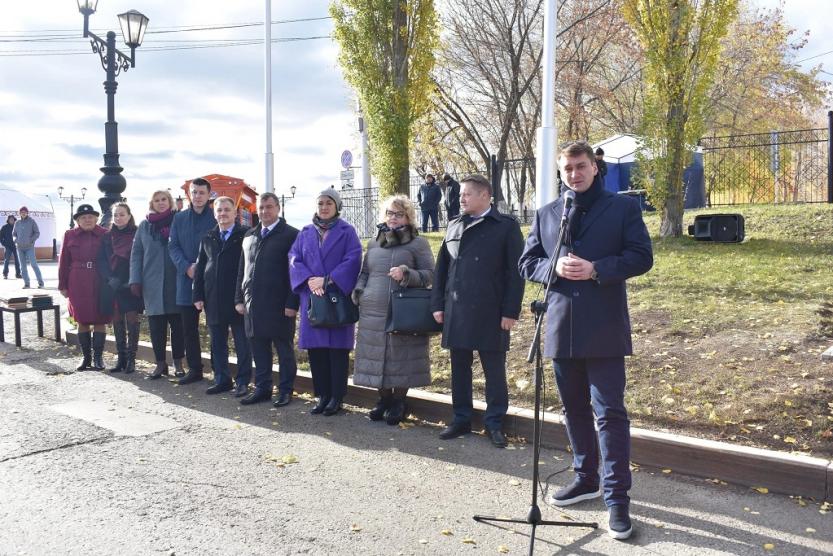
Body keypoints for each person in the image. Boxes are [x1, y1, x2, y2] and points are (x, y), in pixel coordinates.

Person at [518, 140, 653, 541]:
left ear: (594, 167)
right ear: (560, 173)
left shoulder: (623, 208)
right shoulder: (547, 214)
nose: (574, 174)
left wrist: (597, 269)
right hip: (561, 326)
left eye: (580, 167)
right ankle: (586, 478)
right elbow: (526, 262)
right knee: (574, 409)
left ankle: (617, 500)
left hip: (605, 327)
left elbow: (641, 257)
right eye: (567, 170)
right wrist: (552, 267)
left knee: (609, 413)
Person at [430, 174, 525, 448]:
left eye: (467, 194)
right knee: (459, 368)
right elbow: (442, 270)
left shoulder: (505, 227)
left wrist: (511, 311)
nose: (461, 198)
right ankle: (461, 419)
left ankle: (494, 423)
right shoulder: (454, 226)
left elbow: (515, 274)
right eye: (460, 194)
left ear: (485, 196)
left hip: (491, 311)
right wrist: (438, 304)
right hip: (456, 309)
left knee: (494, 370)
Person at [352, 195, 435, 425]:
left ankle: (399, 402)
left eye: (399, 214)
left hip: (403, 311)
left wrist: (407, 273)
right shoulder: (374, 242)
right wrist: (360, 291)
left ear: (408, 217)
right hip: (373, 311)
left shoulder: (418, 243)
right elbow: (365, 273)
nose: (393, 218)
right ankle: (383, 399)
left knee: (400, 357)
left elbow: (431, 274)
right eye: (390, 213)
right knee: (377, 356)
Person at [289, 188, 362, 416]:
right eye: (320, 203)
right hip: (313, 297)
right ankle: (321, 396)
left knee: (336, 351)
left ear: (336, 206)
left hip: (335, 297)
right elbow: (293, 258)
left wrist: (327, 280)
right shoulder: (305, 232)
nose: (324, 207)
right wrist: (310, 280)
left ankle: (337, 398)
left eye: (328, 203)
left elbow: (353, 259)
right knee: (317, 351)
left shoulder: (347, 232)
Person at [235, 193, 300, 406]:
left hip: (280, 305)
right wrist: (239, 298)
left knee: (284, 350)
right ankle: (263, 388)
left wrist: (292, 302)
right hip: (253, 303)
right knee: (259, 349)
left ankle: (285, 390)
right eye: (261, 207)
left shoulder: (291, 235)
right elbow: (241, 271)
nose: (264, 211)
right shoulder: (249, 236)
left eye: (269, 207)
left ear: (278, 209)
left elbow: (295, 272)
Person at [193, 196, 252, 397]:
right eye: (219, 210)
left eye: (227, 210)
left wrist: (243, 297)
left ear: (235, 213)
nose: (223, 214)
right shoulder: (208, 236)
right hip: (213, 297)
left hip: (236, 298)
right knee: (217, 342)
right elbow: (200, 267)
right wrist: (197, 295)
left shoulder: (245, 235)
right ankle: (222, 379)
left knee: (242, 342)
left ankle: (243, 381)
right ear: (214, 213)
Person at [130, 190, 184, 380]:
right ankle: (160, 364)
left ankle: (178, 362)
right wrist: (135, 280)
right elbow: (136, 254)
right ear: (151, 203)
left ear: (170, 202)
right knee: (156, 327)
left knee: (178, 326)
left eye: (164, 200)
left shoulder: (179, 220)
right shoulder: (144, 226)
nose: (161, 203)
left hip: (176, 281)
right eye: (157, 200)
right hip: (151, 283)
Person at [169, 177, 217, 385]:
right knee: (188, 328)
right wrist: (186, 267)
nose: (197, 196)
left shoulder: (216, 217)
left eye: (201, 193)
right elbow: (173, 246)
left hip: (212, 281)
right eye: (194, 192)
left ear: (209, 195)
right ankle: (195, 369)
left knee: (216, 327)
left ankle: (219, 371)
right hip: (186, 280)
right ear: (189, 194)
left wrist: (204, 268)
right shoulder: (179, 219)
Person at [58, 204, 110, 370]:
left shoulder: (105, 234)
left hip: (100, 280)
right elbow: (64, 261)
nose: (87, 220)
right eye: (83, 217)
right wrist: (62, 285)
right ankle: (86, 358)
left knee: (100, 318)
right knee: (82, 319)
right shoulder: (69, 235)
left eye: (90, 217)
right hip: (77, 281)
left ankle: (98, 358)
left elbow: (112, 259)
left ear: (96, 219)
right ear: (78, 221)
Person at [97, 202, 143, 374]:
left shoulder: (137, 233)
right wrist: (109, 278)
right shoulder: (107, 237)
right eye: (115, 215)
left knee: (132, 319)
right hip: (113, 282)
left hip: (130, 281)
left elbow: (141, 257)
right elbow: (101, 260)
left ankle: (132, 359)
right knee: (116, 320)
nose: (118, 218)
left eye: (122, 214)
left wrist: (133, 279)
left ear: (129, 216)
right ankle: (121, 358)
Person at [13, 206, 44, 289]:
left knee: (33, 264)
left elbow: (37, 233)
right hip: (19, 248)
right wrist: (15, 240)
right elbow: (14, 234)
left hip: (29, 247)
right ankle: (27, 283)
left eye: (25, 212)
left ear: (27, 213)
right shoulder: (17, 223)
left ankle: (40, 282)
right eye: (21, 212)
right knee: (22, 267)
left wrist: (31, 240)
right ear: (19, 213)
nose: (23, 213)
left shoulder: (32, 221)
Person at [1, 215, 21, 279]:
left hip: (16, 246)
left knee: (17, 260)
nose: (11, 220)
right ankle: (5, 274)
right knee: (6, 260)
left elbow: (20, 235)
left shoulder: (17, 227)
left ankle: (18, 274)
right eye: (10, 219)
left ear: (14, 220)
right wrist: (4, 244)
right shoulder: (4, 227)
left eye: (13, 219)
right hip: (8, 246)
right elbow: (0, 237)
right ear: (8, 220)